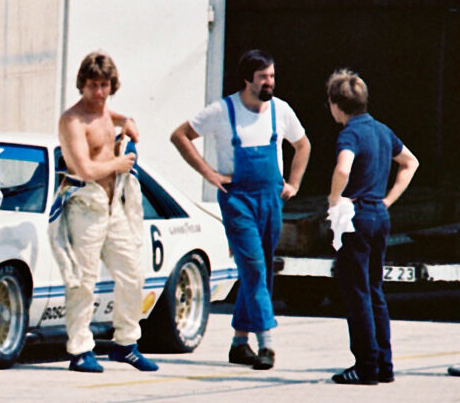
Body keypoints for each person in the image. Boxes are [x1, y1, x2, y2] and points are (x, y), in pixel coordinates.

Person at [170, 49, 310, 370]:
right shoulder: (222, 110)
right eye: (263, 78)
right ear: (247, 79)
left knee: (259, 269)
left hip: (271, 199)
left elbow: (303, 145)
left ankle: (239, 342)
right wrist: (209, 173)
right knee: (254, 267)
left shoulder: (280, 110)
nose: (269, 83)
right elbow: (180, 136)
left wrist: (294, 183)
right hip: (238, 200)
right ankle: (267, 343)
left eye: (272, 76)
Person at [55, 51, 153, 374]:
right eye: (94, 85)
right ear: (82, 84)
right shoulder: (72, 120)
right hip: (85, 205)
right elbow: (83, 168)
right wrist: (119, 163)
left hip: (114, 207)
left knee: (132, 274)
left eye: (105, 85)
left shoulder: (105, 113)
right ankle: (80, 349)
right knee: (83, 281)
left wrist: (129, 123)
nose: (100, 92)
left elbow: (113, 117)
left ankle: (126, 343)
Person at [326, 69, 418, 385]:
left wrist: (334, 199)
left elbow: (343, 167)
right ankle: (384, 364)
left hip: (358, 217)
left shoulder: (349, 134)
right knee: (375, 289)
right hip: (379, 215)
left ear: (336, 105)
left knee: (357, 291)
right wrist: (388, 200)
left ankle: (365, 365)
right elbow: (410, 162)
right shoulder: (381, 131)